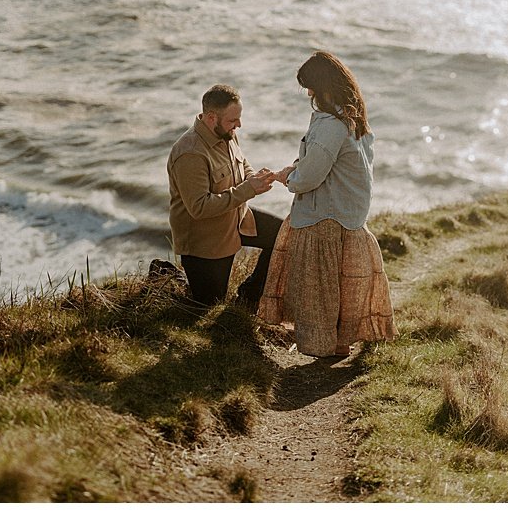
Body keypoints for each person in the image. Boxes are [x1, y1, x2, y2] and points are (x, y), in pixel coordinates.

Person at [257, 51, 395, 360]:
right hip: (349, 215)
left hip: (325, 217)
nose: (308, 95)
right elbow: (321, 164)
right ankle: (340, 344)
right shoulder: (355, 122)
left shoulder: (330, 125)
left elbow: (309, 177)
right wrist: (292, 170)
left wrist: (287, 179)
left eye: (310, 88)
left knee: (321, 290)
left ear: (324, 87)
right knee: (341, 288)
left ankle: (328, 349)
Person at [165, 83, 282, 308]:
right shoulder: (190, 153)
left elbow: (242, 163)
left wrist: (254, 178)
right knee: (208, 307)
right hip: (206, 243)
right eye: (233, 120)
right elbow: (199, 207)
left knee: (283, 236)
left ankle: (249, 297)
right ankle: (166, 274)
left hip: (238, 220)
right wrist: (249, 189)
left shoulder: (227, 133)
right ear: (211, 118)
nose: (239, 124)